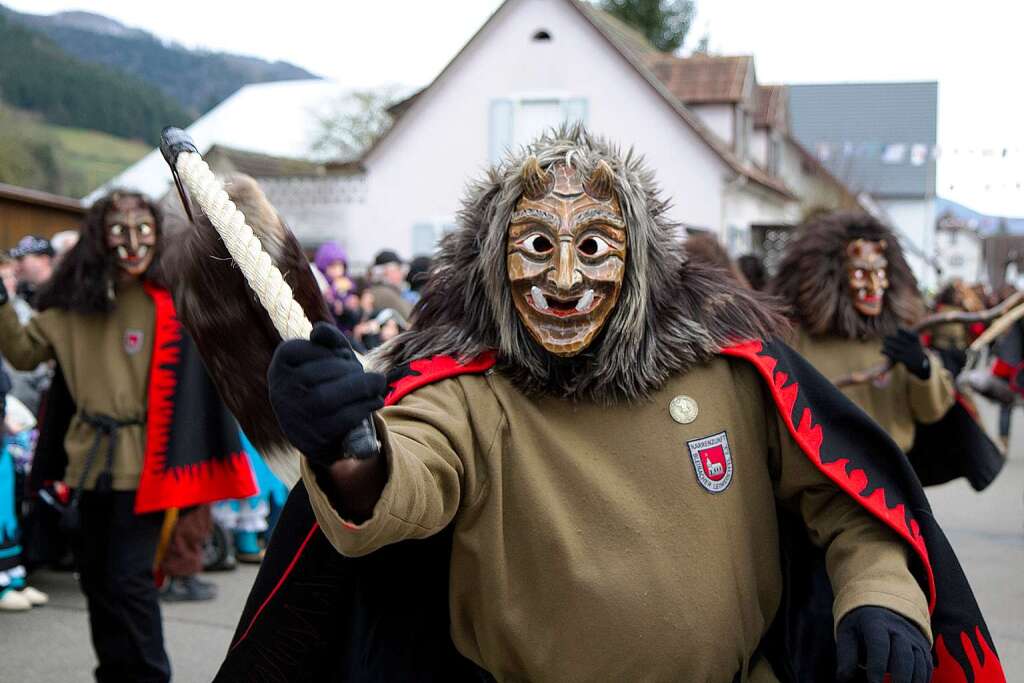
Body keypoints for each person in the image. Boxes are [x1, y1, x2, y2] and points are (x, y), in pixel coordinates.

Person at [196, 128, 1002, 682]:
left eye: (593, 246)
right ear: (494, 258)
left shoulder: (732, 370)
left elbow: (846, 498)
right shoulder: (470, 391)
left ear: (640, 256)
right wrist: (347, 443)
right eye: (539, 245)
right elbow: (407, 474)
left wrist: (882, 596)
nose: (566, 279)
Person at [0, 191, 256, 682]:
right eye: (121, 230)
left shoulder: (174, 298)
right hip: (88, 460)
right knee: (97, 577)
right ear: (101, 236)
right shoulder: (71, 302)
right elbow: (24, 353)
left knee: (128, 579)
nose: (134, 242)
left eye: (144, 230)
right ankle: (116, 674)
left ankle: (146, 677)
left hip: (147, 464)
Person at [771, 211, 955, 454]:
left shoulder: (896, 337)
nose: (874, 286)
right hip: (818, 476)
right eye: (860, 273)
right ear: (827, 275)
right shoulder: (793, 339)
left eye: (880, 273)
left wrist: (922, 368)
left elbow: (931, 411)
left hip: (888, 474)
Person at [0, 254, 51, 415]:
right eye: (4, 278)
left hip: (23, 398)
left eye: (12, 276)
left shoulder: (21, 309)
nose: (12, 282)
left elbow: (30, 355)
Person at [9, 235, 54, 309]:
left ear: (44, 260)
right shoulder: (22, 291)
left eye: (21, 260)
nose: (16, 266)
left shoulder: (64, 294)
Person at [367, 249, 414, 319]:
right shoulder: (384, 293)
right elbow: (410, 318)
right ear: (383, 272)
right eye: (397, 269)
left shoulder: (393, 291)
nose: (401, 274)